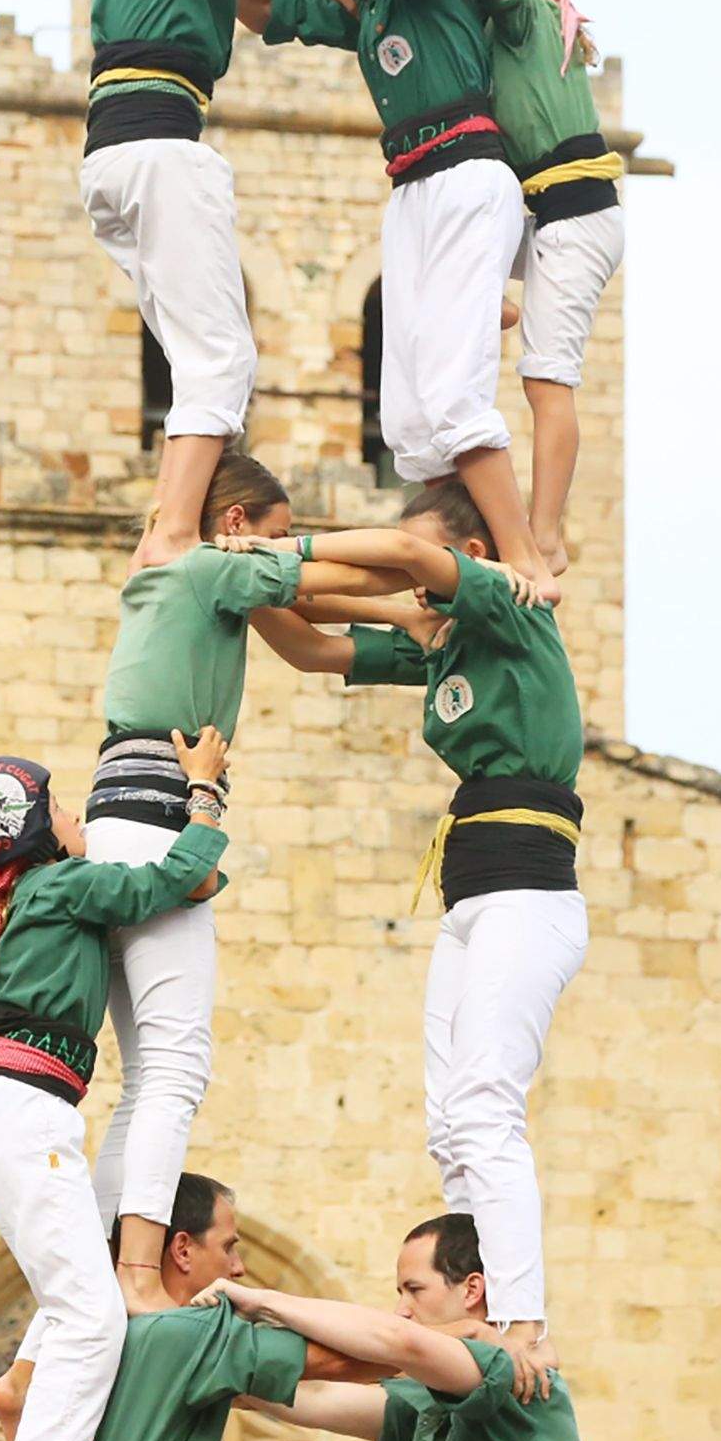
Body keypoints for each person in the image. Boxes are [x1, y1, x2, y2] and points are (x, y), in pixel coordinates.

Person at [220, 480, 586, 1394]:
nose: (411, 582)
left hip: (526, 896)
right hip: (470, 898)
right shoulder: (444, 639)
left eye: (421, 562)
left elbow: (413, 563)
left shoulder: (512, 605)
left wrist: (295, 552)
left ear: (470, 554)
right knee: (448, 1124)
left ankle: (523, 1320)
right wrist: (245, 580)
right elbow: (308, 642)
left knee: (488, 1104)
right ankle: (472, 1293)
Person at [86, 453, 431, 1311]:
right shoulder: (207, 567)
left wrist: (420, 643)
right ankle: (134, 1274)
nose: (283, 554)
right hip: (165, 812)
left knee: (145, 1076)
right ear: (235, 526)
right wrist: (462, 576)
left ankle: (96, 1268)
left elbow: (312, 639)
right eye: (273, 537)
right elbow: (344, 569)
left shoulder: (183, 583)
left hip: (118, 812)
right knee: (174, 1072)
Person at [205, 0, 559, 600]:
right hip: (411, 193)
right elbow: (259, 4)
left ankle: (527, 556)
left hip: (467, 176)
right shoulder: (368, 9)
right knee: (408, 415)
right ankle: (458, 548)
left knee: (459, 397)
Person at [0, 739, 230, 1441]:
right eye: (63, 807)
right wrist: (203, 793)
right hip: (27, 1115)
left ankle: (21, 1383)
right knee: (93, 1315)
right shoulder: (64, 884)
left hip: (0, 1113)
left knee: (78, 1278)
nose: (77, 816)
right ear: (38, 836)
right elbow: (177, 879)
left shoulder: (26, 899)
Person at [82, 0, 342, 572]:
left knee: (194, 354)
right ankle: (168, 535)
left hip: (110, 159)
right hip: (166, 149)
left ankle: (167, 519)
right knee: (221, 359)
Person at [0, 1173, 470, 1441]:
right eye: (229, 1246)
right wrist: (470, 1341)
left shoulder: (107, 1335)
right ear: (182, 1250)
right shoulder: (191, 1332)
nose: (238, 1268)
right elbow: (346, 1362)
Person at [437, 0, 624, 577]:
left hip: (572, 215)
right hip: (546, 216)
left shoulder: (525, 16)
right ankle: (498, 312)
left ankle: (546, 535)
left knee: (548, 379)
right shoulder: (522, 35)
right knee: (450, 256)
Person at [226, 1213, 592, 1441]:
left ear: (471, 1289)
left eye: (414, 1290)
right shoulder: (437, 1399)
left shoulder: (512, 1370)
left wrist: (264, 1302)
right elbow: (318, 1396)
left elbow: (399, 1342)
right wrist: (222, 1377)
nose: (403, 1308)